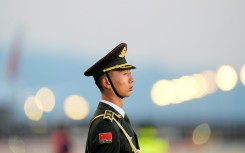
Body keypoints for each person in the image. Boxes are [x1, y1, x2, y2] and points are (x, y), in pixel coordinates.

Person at [84, 43, 140, 153]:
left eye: (130, 73)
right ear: (107, 82)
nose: (132, 79)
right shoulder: (105, 125)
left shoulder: (119, 119)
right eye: (125, 74)